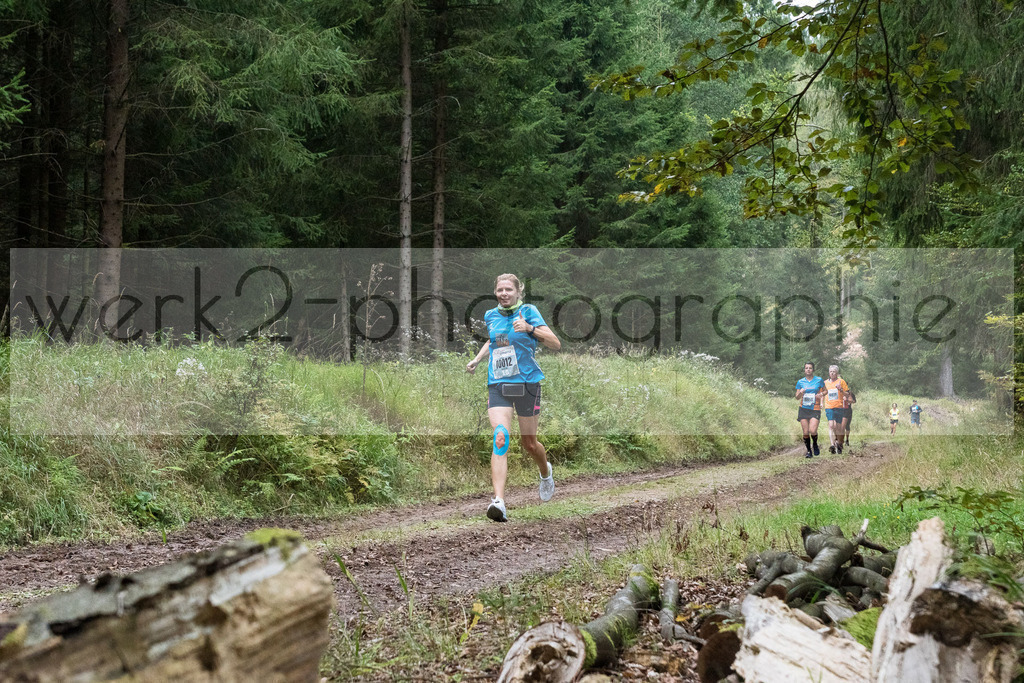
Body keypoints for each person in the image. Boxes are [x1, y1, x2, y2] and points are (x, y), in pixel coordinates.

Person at [466, 273, 561, 522]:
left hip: (527, 383)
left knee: (529, 444)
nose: (504, 294)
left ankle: (545, 471)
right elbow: (494, 340)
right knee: (501, 437)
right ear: (495, 292)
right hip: (498, 383)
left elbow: (555, 343)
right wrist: (477, 359)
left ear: (518, 292)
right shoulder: (490, 315)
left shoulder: (529, 311)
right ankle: (498, 502)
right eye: (500, 290)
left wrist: (530, 329)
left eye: (509, 289)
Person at [795, 362, 825, 458]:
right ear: (804, 370)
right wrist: (801, 392)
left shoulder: (819, 380)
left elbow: (825, 390)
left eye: (810, 368)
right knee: (805, 432)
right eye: (806, 368)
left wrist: (821, 394)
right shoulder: (800, 382)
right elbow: (797, 397)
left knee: (812, 430)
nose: (808, 369)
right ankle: (809, 451)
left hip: (815, 408)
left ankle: (815, 444)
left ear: (813, 370)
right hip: (803, 408)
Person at [822, 365, 850, 454]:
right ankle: (832, 445)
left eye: (834, 371)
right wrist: (821, 403)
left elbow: (847, 394)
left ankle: (838, 442)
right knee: (831, 425)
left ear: (837, 373)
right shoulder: (825, 383)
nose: (832, 373)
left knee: (838, 427)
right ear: (829, 373)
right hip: (829, 406)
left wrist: (841, 390)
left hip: (839, 406)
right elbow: (822, 393)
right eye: (831, 371)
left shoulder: (841, 381)